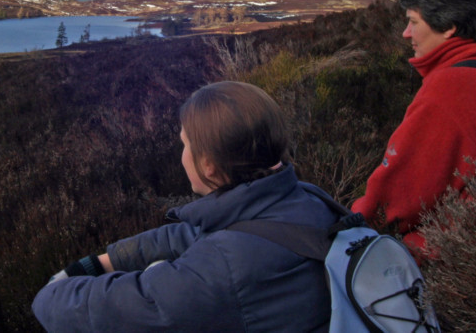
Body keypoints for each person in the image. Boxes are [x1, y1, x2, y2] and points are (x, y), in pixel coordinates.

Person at [33, 81, 337, 332]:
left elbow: (118, 307)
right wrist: (106, 260)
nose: (182, 155)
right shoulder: (307, 198)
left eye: (184, 144)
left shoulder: (221, 269)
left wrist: (52, 291)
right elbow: (195, 234)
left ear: (208, 166)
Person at [351, 0, 476, 253]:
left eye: (414, 22)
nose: (407, 33)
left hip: (445, 266)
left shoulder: (452, 89)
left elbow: (392, 204)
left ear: (449, 27)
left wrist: (351, 223)